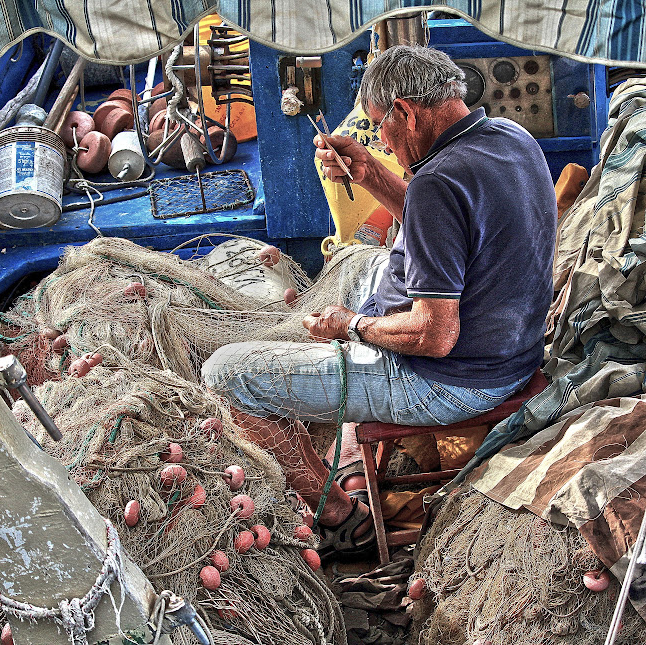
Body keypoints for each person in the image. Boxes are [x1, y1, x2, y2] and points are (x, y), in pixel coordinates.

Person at [202, 45, 557, 559]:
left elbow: (434, 335)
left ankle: (343, 521)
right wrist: (368, 174)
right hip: (513, 351)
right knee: (357, 265)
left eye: (381, 129)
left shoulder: (439, 181)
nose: (382, 143)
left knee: (224, 374)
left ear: (407, 112)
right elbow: (443, 222)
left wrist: (354, 326)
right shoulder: (510, 137)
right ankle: (346, 444)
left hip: (450, 381)